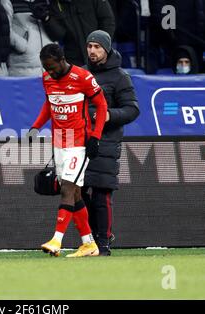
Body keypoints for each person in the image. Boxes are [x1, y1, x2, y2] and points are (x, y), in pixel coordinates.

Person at [27, 43, 108, 257]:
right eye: (46, 68)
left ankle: (56, 240)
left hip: (79, 143)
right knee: (76, 194)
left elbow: (101, 105)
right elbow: (50, 104)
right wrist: (36, 126)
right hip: (59, 142)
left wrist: (96, 137)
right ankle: (89, 244)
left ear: (62, 59)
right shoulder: (47, 79)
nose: (50, 72)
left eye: (52, 67)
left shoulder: (83, 77)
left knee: (67, 189)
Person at [82, 30, 140, 255]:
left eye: (97, 47)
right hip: (81, 143)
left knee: (101, 194)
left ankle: (103, 243)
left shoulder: (120, 76)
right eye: (89, 46)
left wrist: (108, 116)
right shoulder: (81, 74)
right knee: (77, 194)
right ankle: (90, 241)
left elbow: (132, 109)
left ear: (106, 49)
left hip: (106, 142)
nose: (92, 51)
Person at [29, 0, 115, 67]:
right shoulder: (54, 3)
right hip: (74, 59)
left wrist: (101, 48)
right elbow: (59, 35)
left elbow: (108, 22)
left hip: (101, 56)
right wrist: (47, 19)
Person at [0, 0, 54, 77]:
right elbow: (4, 29)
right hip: (23, 64)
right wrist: (23, 46)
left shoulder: (45, 1)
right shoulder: (8, 1)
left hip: (48, 63)